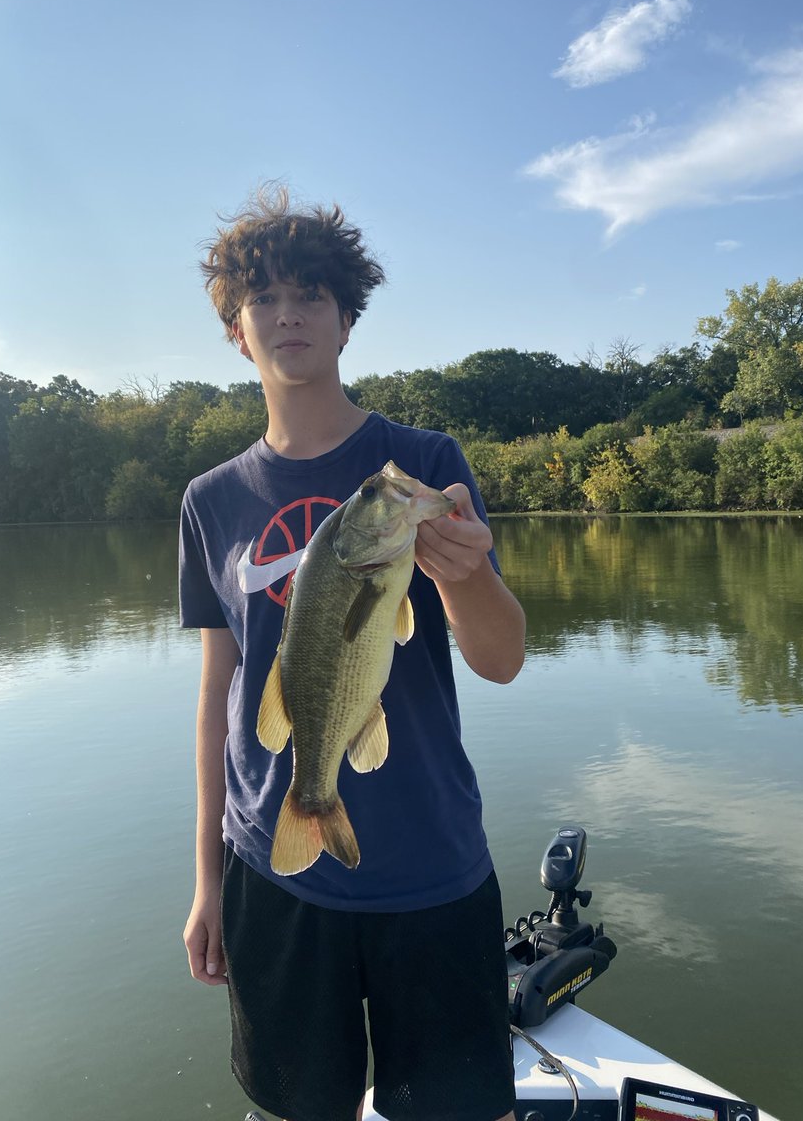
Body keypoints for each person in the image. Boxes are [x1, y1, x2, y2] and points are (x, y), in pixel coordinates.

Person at [180, 187, 526, 1121]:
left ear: (346, 321)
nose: (288, 314)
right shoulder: (210, 501)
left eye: (311, 295)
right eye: (263, 299)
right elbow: (218, 701)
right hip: (272, 869)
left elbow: (501, 661)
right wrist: (208, 882)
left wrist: (464, 578)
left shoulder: (425, 464)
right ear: (237, 333)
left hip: (432, 860)